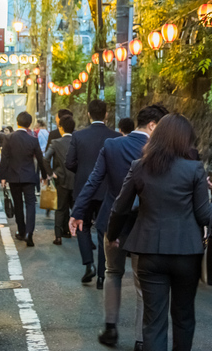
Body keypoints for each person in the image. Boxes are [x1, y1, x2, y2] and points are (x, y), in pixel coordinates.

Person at [107, 113, 212, 351]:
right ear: (185, 140)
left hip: (149, 253)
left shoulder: (139, 167)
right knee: (183, 316)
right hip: (187, 254)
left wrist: (113, 236)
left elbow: (119, 208)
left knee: (153, 322)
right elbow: (205, 216)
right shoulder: (194, 169)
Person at [70, 104, 169, 350]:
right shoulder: (160, 152)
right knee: (141, 282)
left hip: (112, 222)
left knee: (113, 273)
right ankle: (140, 339)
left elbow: (93, 181)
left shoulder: (112, 145)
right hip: (144, 225)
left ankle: (111, 329)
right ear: (153, 125)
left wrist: (78, 212)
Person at [65, 99, 121, 285]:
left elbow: (69, 163)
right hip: (108, 189)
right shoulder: (115, 136)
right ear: (106, 114)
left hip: (84, 188)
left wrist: (82, 173)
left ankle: (89, 265)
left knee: (82, 224)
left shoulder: (78, 136)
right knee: (103, 229)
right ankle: (103, 274)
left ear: (88, 114)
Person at [0, 111, 50, 247]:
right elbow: (40, 159)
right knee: (30, 204)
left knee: (18, 205)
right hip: (29, 177)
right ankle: (29, 234)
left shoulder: (8, 138)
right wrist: (44, 176)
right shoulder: (33, 140)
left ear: (17, 122)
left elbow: (5, 158)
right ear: (29, 125)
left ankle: (21, 231)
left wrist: (2, 176)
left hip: (14, 176)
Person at [45, 115, 76, 244]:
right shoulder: (78, 141)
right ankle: (71, 231)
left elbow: (45, 158)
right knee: (76, 207)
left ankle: (58, 236)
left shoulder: (56, 142)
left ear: (61, 128)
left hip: (61, 179)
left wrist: (51, 173)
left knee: (60, 208)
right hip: (76, 179)